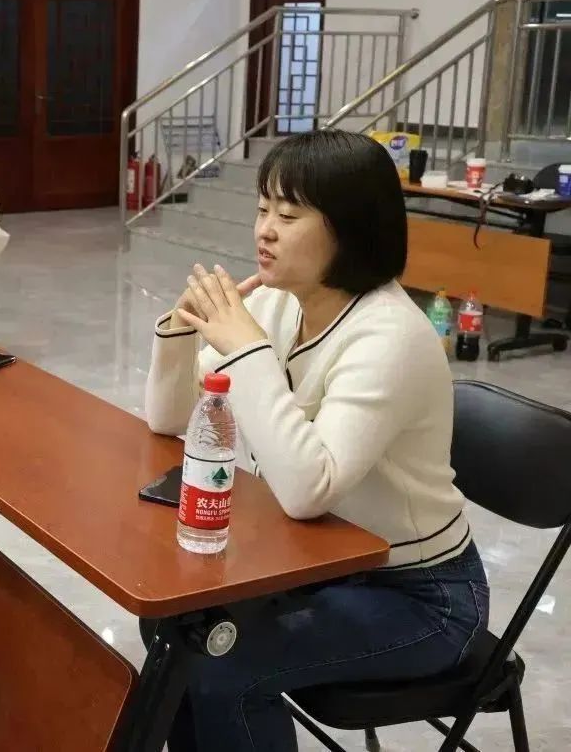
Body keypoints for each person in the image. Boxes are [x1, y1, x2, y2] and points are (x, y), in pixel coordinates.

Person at [143, 129, 489, 751]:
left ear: (350, 229)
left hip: (420, 595)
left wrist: (247, 352)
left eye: (289, 215)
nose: (265, 231)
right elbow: (169, 420)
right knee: (174, 624)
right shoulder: (279, 304)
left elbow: (308, 490)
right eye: (262, 209)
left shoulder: (390, 336)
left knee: (223, 661)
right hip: (317, 565)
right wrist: (178, 330)